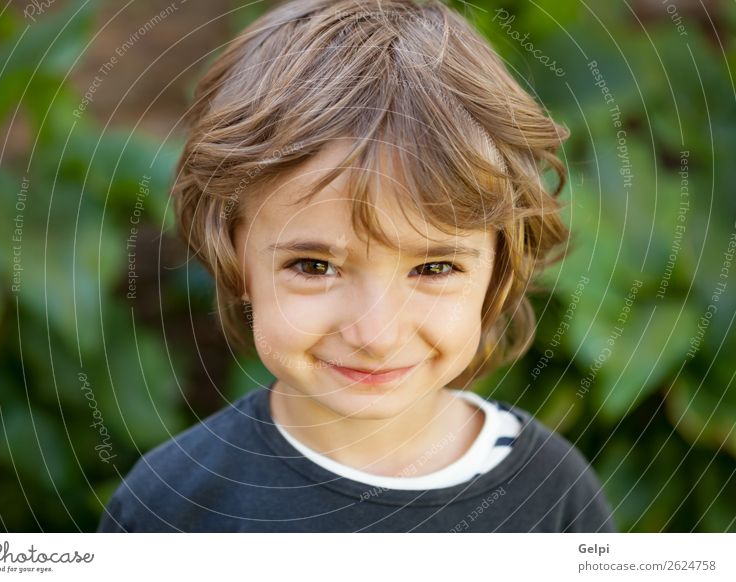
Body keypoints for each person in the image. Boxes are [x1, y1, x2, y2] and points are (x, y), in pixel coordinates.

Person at [97, 0, 616, 532]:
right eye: (315, 266)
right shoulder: (172, 505)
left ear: (498, 269)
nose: (376, 335)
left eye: (434, 268)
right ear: (234, 255)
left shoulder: (552, 493)